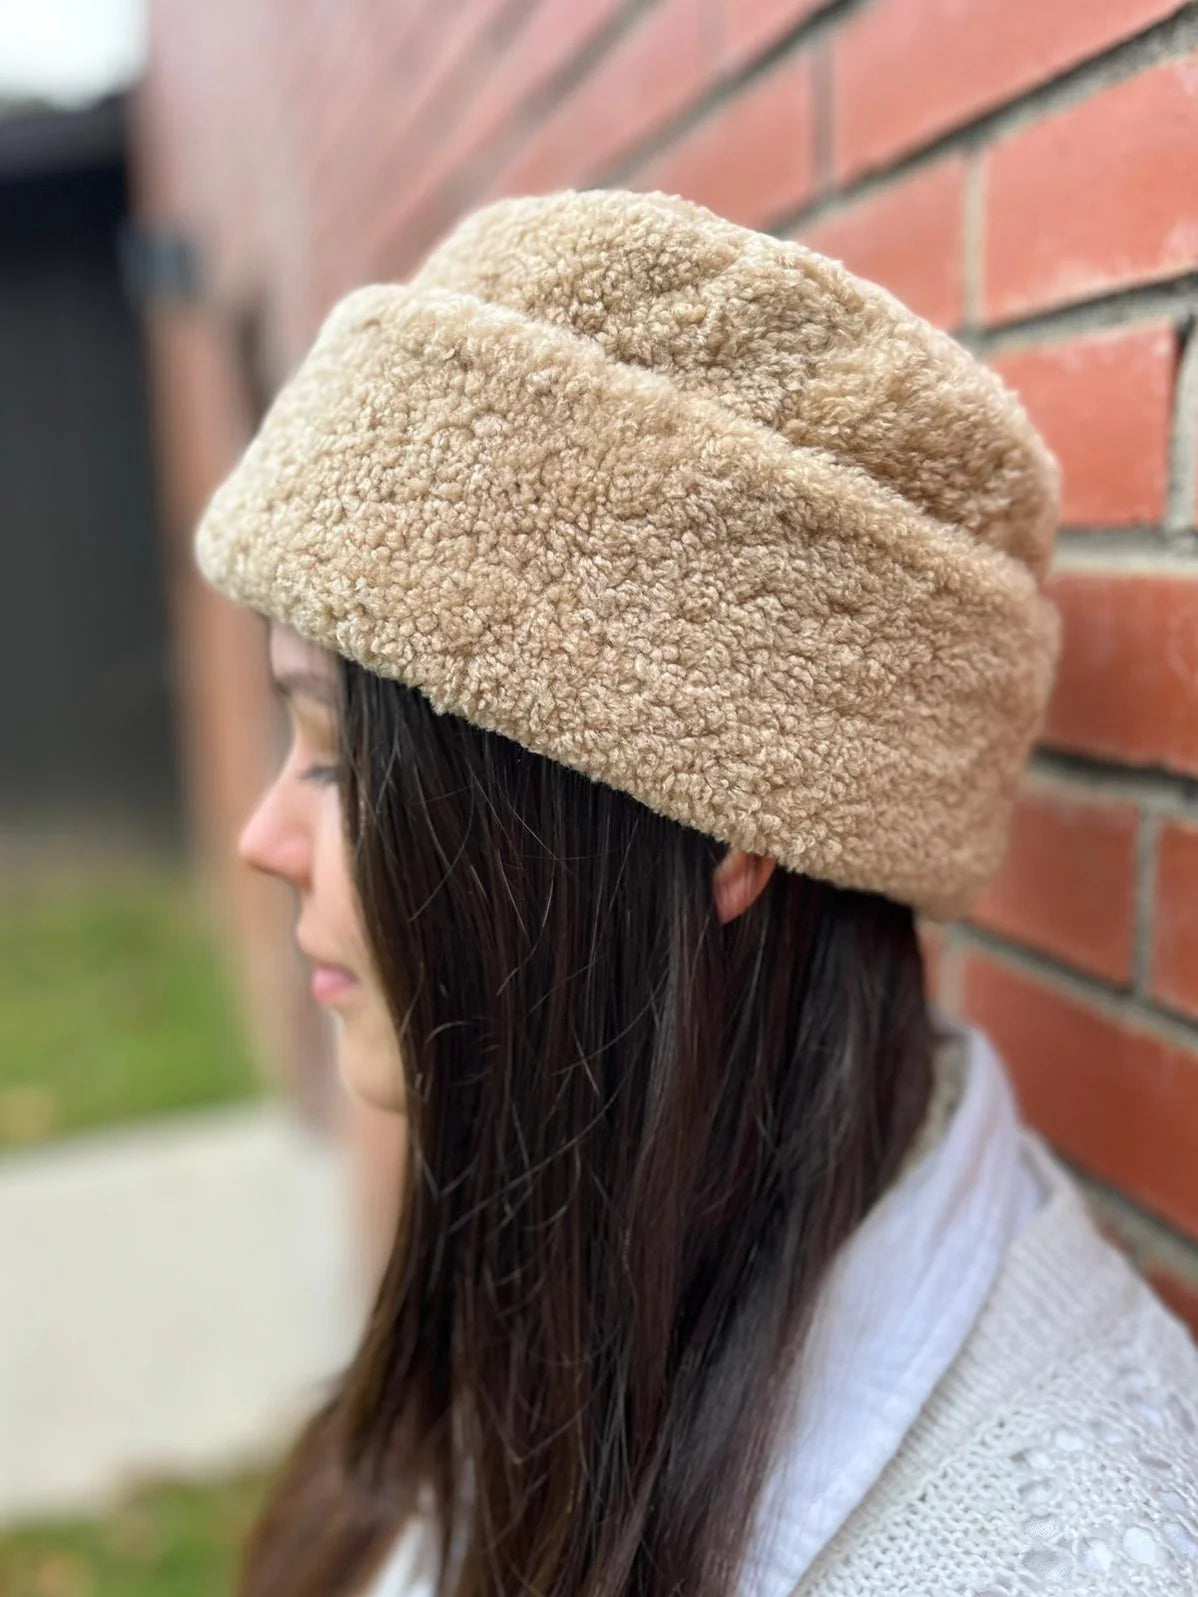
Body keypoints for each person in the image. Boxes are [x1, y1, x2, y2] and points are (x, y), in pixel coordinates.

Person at [194, 188, 1198, 1597]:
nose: (260, 837)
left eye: (340, 760)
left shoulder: (1071, 1550)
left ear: (726, 825)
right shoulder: (604, 1230)